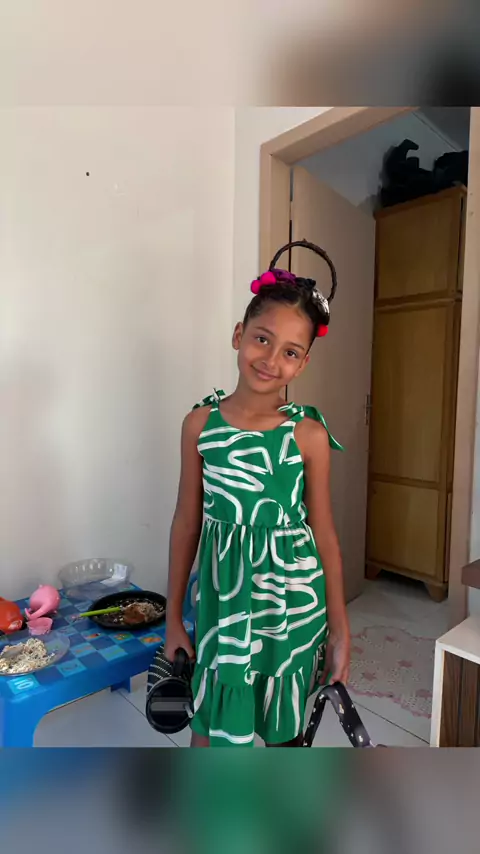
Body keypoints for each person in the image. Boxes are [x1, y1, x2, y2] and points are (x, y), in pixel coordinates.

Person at [165, 239, 350, 748]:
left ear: (303, 364)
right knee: (211, 729)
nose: (271, 359)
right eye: (262, 339)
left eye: (290, 352)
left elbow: (324, 534)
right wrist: (173, 616)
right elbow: (186, 522)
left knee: (282, 735)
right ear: (238, 335)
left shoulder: (308, 436)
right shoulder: (199, 425)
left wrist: (339, 628)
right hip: (223, 605)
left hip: (291, 606)